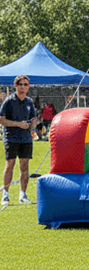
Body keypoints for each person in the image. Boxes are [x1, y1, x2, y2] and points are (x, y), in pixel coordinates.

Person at [1, 75, 39, 205]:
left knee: (24, 167)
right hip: (11, 137)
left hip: (26, 138)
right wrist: (18, 124)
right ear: (16, 86)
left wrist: (34, 124)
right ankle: (5, 194)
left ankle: (22, 195)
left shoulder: (29, 102)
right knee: (10, 165)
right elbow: (2, 120)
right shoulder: (9, 101)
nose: (23, 87)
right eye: (21, 84)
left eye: (26, 84)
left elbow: (32, 119)